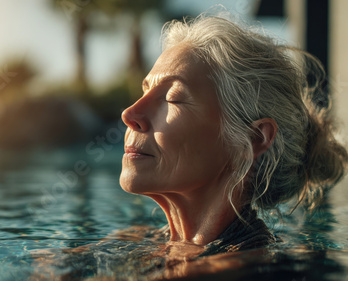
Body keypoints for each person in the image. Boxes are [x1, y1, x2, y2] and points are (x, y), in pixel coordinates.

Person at [120, 15, 348, 256]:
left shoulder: (240, 269)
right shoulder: (139, 238)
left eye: (172, 98)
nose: (129, 113)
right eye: (144, 91)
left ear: (253, 139)